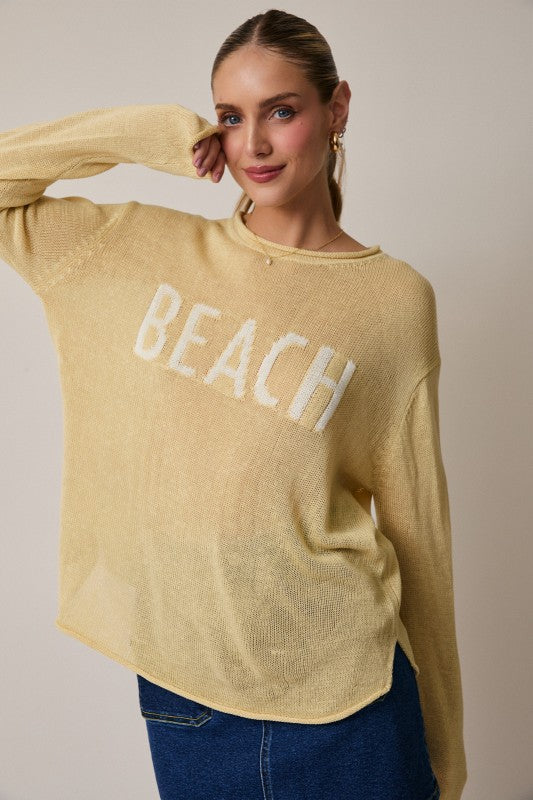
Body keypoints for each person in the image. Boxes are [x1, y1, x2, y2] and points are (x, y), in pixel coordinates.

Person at [0, 8, 467, 800]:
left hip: (349, 702)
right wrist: (148, 133)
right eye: (230, 116)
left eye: (279, 111)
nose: (252, 144)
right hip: (190, 698)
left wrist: (444, 745)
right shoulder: (133, 248)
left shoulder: (391, 302)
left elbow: (418, 532)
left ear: (336, 108)